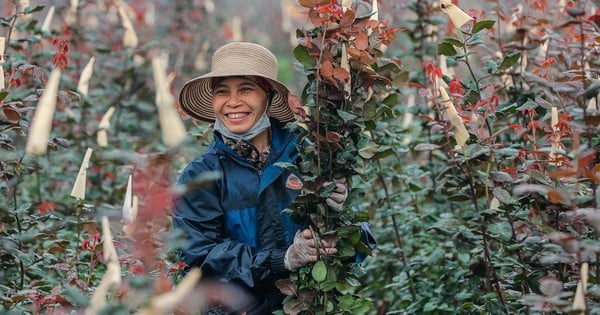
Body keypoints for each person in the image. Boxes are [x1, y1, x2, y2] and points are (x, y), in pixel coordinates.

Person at [172, 42, 372, 314]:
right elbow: (198, 261)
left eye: (246, 89)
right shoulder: (201, 176)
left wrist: (341, 213)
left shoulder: (310, 157)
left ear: (268, 96)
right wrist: (283, 259)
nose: (233, 102)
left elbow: (361, 246)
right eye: (222, 92)